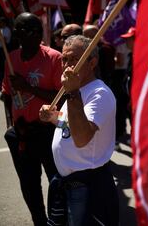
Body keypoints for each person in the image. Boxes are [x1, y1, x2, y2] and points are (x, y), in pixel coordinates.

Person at [39, 35, 119, 225]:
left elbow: (82, 138)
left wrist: (73, 93)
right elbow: (70, 125)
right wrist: (53, 117)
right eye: (64, 59)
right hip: (67, 183)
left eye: (74, 59)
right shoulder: (76, 90)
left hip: (88, 185)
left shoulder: (99, 93)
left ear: (92, 62)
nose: (67, 64)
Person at [1, 12, 62, 225]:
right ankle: (39, 221)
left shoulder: (54, 58)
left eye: (37, 31)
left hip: (46, 132)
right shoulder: (12, 58)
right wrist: (11, 125)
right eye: (19, 31)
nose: (18, 36)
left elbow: (61, 97)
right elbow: (7, 94)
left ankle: (57, 221)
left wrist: (28, 87)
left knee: (57, 180)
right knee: (28, 183)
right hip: (21, 134)